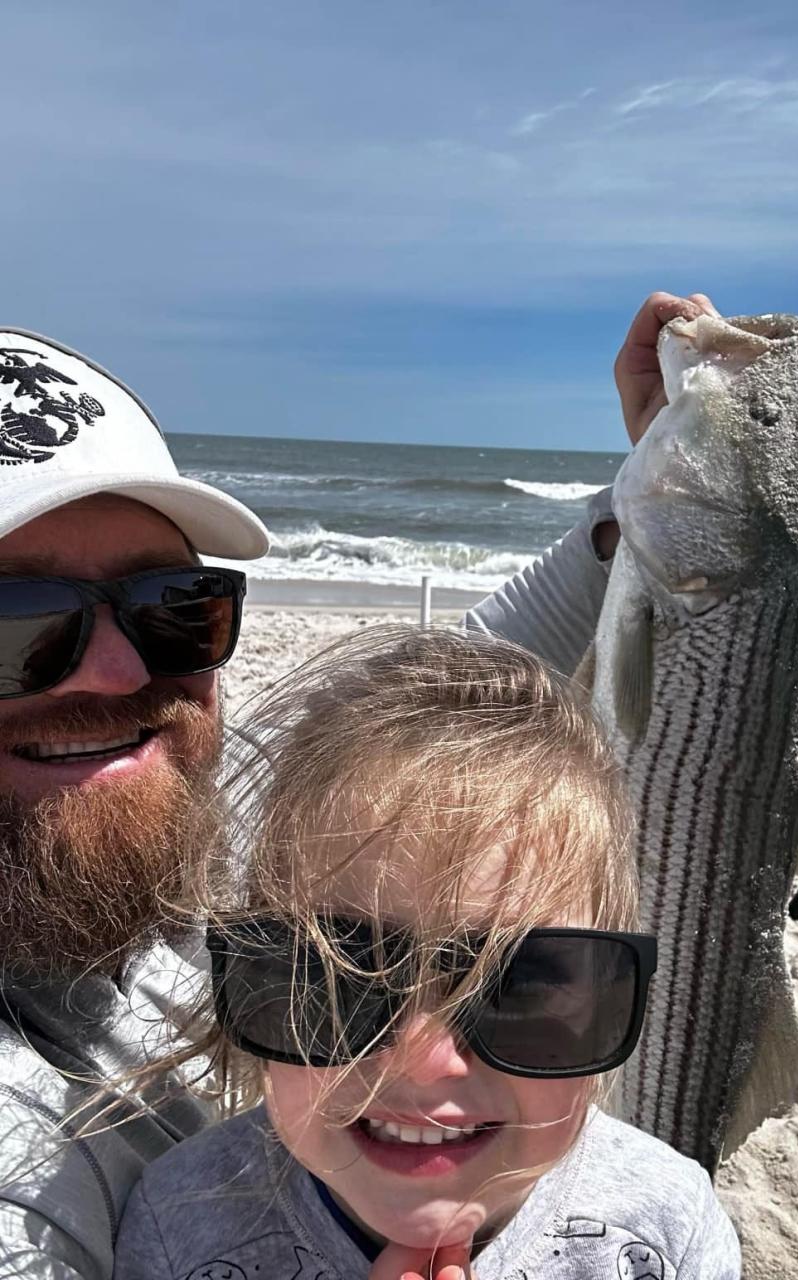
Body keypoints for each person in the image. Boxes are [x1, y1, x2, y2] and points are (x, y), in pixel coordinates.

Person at [0, 291, 718, 1278]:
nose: (121, 673)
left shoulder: (156, 808)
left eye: (171, 606)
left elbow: (425, 735)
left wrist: (644, 501)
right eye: (15, 625)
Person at [112, 626, 741, 1279]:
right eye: (339, 976)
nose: (425, 1059)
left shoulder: (665, 1228)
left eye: (517, 984)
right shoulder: (181, 1226)